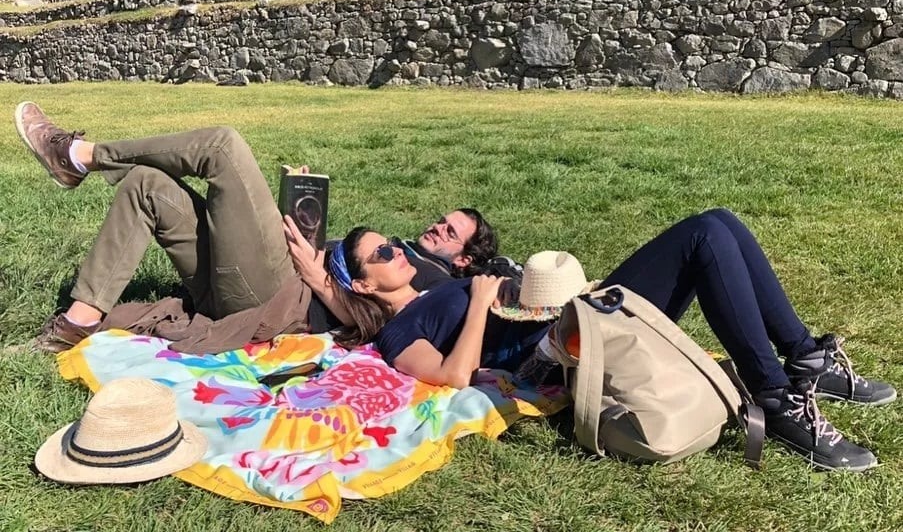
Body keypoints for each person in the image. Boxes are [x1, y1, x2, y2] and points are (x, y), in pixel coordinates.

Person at [322, 212, 896, 472]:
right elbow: (449, 376)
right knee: (701, 239)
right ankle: (775, 396)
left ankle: (806, 359)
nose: (399, 251)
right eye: (382, 253)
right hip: (561, 355)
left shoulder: (436, 279)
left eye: (393, 243)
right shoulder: (399, 331)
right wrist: (476, 306)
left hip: (571, 315)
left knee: (718, 224)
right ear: (366, 283)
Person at [14, 101, 500, 352]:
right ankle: (77, 322)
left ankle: (78, 156)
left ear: (465, 259)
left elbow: (395, 325)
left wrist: (324, 286)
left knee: (222, 148)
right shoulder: (411, 255)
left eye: (451, 233)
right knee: (147, 185)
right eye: (442, 219)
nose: (435, 229)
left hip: (280, 295)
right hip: (257, 278)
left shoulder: (438, 282)